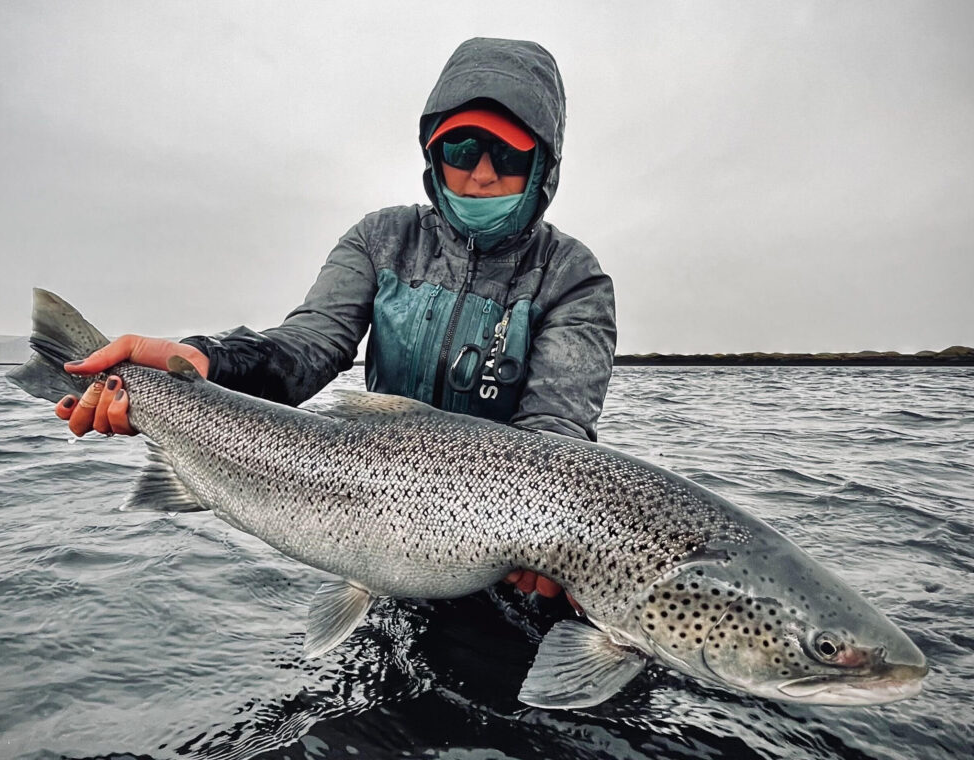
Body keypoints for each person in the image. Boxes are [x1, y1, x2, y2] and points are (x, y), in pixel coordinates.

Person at [54, 37, 617, 602]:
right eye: (463, 150)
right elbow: (306, 349)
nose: (483, 174)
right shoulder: (382, 238)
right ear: (434, 155)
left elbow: (556, 434)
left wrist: (550, 539)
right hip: (368, 531)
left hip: (504, 567)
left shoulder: (574, 279)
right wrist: (205, 358)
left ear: (544, 164)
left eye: (510, 155)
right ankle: (58, 364)